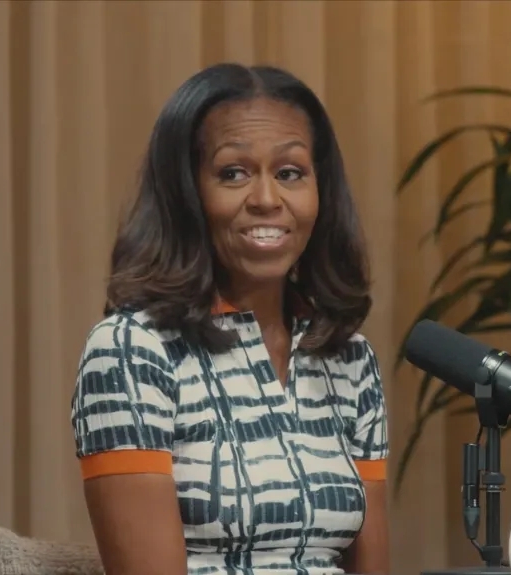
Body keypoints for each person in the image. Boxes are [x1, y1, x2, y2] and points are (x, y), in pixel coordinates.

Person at [69, 63, 389, 575]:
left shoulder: (350, 358)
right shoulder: (131, 352)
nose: (266, 200)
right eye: (233, 173)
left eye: (290, 174)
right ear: (186, 193)